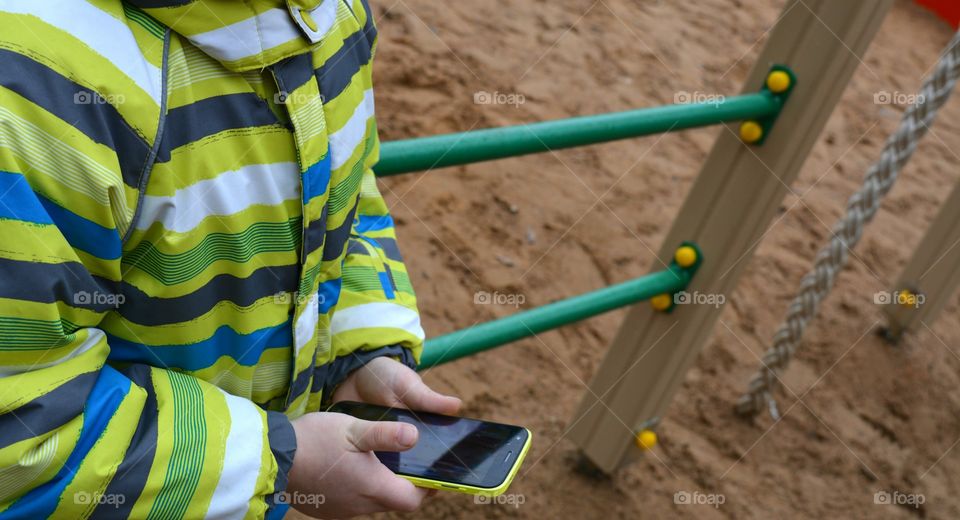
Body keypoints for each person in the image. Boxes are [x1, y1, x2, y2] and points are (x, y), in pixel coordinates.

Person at [0, 1, 460, 518]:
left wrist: (360, 349)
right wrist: (277, 459)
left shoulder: (336, 15)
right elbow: (19, 439)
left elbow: (346, 196)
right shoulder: (29, 83)